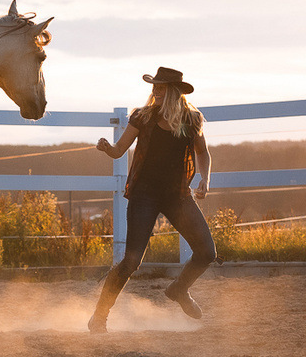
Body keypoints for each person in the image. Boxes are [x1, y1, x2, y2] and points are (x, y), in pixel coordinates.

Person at [89, 67, 216, 332]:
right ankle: (99, 316)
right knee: (132, 261)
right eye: (154, 87)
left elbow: (202, 153)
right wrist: (106, 148)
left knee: (206, 252)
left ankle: (179, 290)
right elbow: (119, 150)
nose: (155, 91)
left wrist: (205, 178)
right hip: (144, 193)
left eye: (160, 87)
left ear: (173, 91)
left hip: (177, 195)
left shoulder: (191, 120)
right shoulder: (143, 117)